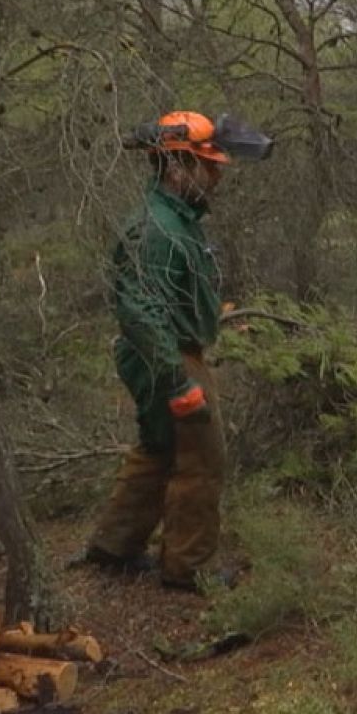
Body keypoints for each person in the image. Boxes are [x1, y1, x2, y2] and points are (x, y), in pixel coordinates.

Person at [74, 110, 271, 592]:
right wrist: (178, 382)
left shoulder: (175, 219)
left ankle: (113, 545)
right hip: (167, 355)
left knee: (160, 446)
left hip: (168, 350)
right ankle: (189, 566)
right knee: (203, 459)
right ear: (179, 168)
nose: (218, 176)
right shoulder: (156, 230)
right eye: (210, 166)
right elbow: (140, 311)